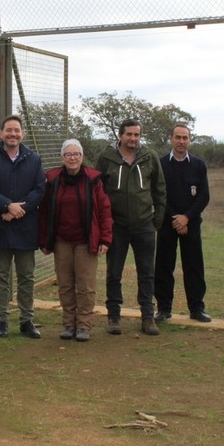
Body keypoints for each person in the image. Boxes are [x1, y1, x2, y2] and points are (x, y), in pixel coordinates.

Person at [95, 119, 167, 336]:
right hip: (116, 225)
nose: (133, 139)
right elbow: (97, 190)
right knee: (113, 272)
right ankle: (114, 316)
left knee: (146, 273)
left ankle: (147, 316)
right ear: (120, 135)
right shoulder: (106, 157)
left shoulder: (149, 156)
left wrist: (157, 221)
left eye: (137, 135)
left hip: (144, 224)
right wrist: (103, 224)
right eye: (129, 135)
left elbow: (159, 190)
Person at [0, 115, 46, 339]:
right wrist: (6, 206)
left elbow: (39, 190)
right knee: (0, 276)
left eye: (16, 130)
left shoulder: (33, 158)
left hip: (26, 226)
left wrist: (20, 210)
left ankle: (27, 320)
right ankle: (2, 320)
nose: (13, 134)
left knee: (26, 276)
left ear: (22, 134)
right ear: (1, 133)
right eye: (8, 130)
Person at [39, 139, 112, 342]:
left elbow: (105, 210)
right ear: (62, 157)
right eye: (68, 154)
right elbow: (44, 212)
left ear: (82, 157)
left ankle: (84, 325)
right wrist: (44, 240)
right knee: (65, 284)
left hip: (86, 241)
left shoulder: (93, 179)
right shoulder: (52, 180)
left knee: (86, 285)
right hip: (62, 241)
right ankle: (68, 324)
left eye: (76, 154)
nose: (72, 158)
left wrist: (105, 238)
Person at [154, 123, 212, 324]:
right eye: (177, 137)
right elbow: (158, 195)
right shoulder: (161, 164)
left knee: (194, 266)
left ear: (190, 140)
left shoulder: (198, 165)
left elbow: (204, 196)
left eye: (185, 138)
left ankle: (197, 308)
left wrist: (186, 217)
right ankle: (163, 308)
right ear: (171, 138)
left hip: (192, 223)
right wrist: (175, 218)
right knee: (163, 266)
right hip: (166, 224)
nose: (181, 141)